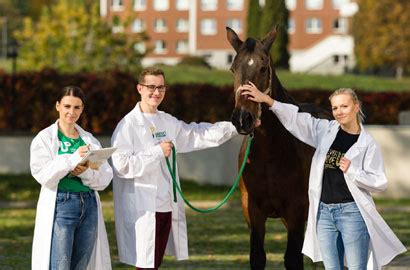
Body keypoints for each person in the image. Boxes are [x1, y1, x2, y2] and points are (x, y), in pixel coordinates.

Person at [239, 83, 406, 269]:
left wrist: (353, 171)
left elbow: (379, 182)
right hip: (324, 214)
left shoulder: (367, 143)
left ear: (356, 107)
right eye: (335, 107)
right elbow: (296, 119)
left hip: (352, 214)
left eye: (344, 106)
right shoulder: (326, 130)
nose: (339, 112)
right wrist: (267, 100)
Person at [111, 67, 238, 269]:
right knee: (145, 264)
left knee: (155, 263)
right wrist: (157, 152)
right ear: (139, 88)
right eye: (151, 87)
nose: (156, 92)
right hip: (143, 208)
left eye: (161, 87)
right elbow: (122, 166)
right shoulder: (128, 125)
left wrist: (235, 126)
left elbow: (197, 134)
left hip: (166, 205)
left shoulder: (166, 121)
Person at [30, 86, 113, 270]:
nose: (71, 112)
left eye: (77, 107)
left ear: (82, 109)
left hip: (89, 205)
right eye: (67, 106)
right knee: (60, 264)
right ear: (58, 106)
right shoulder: (44, 139)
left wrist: (84, 172)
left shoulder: (89, 140)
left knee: (81, 265)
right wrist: (73, 158)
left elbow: (105, 178)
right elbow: (43, 175)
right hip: (62, 205)